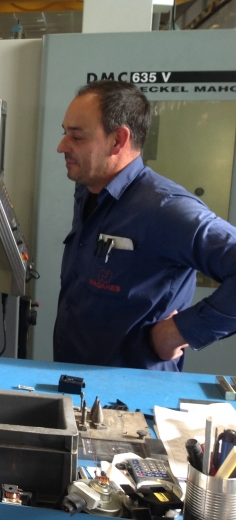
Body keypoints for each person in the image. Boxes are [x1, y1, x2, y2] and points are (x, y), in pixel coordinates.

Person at [54, 80, 236, 371]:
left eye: (76, 136)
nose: (61, 146)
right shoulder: (89, 193)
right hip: (78, 376)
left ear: (118, 140)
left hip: (134, 389)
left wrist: (179, 331)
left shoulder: (165, 209)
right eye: (64, 133)